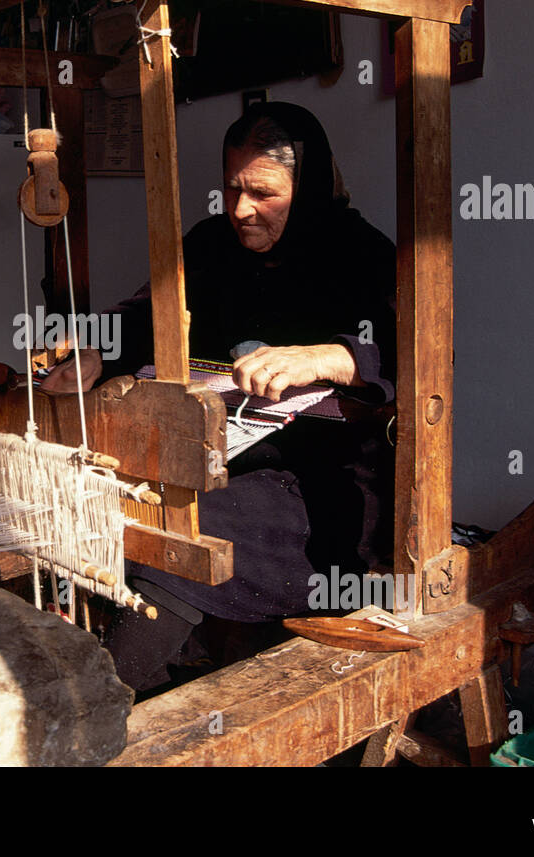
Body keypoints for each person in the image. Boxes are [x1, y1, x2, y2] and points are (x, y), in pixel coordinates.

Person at [40, 102, 396, 692]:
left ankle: (95, 703)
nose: (240, 210)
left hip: (327, 490)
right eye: (231, 188)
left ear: (307, 187)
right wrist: (99, 349)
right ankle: (114, 677)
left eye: (263, 193)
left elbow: (417, 355)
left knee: (181, 528)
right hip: (216, 461)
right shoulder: (211, 244)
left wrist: (329, 357)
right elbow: (147, 313)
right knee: (96, 494)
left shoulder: (363, 255)